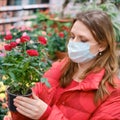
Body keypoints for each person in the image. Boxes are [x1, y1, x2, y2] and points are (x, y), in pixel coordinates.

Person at [4, 10, 120, 120]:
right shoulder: (59, 68)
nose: (74, 43)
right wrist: (18, 107)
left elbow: (42, 113)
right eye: (72, 36)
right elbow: (32, 107)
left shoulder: (113, 92)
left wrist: (46, 115)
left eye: (83, 40)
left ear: (102, 45)